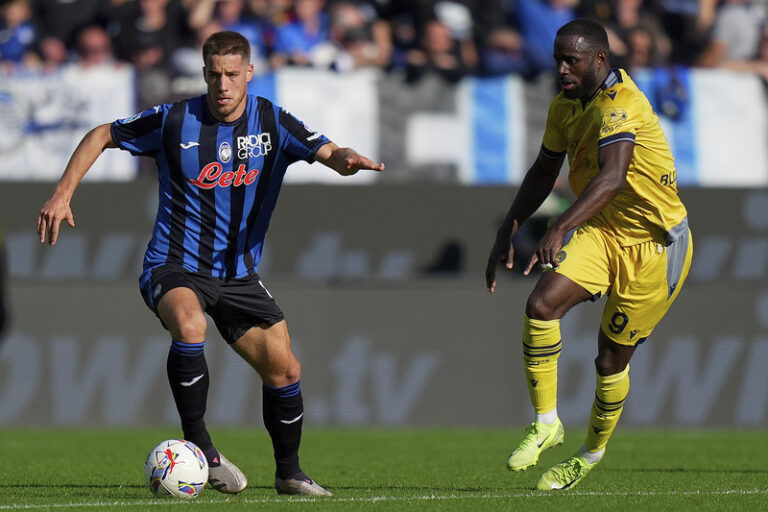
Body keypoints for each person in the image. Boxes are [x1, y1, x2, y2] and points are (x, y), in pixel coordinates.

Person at [37, 30, 385, 497]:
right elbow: (103, 134)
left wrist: (344, 160)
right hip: (174, 263)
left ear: (249, 74)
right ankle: (200, 446)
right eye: (215, 75)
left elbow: (327, 151)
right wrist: (62, 193)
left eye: (232, 75)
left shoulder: (272, 123)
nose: (223, 85)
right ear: (204, 73)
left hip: (238, 275)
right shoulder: (174, 120)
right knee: (189, 323)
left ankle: (289, 473)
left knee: (285, 371)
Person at [485, 18, 692, 490]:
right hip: (603, 232)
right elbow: (543, 170)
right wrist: (508, 228)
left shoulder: (625, 104)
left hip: (656, 245)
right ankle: (546, 422)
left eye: (571, 60)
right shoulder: (564, 107)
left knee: (609, 362)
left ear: (600, 59)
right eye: (558, 58)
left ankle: (589, 455)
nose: (561, 68)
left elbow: (613, 176)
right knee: (541, 305)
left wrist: (559, 225)